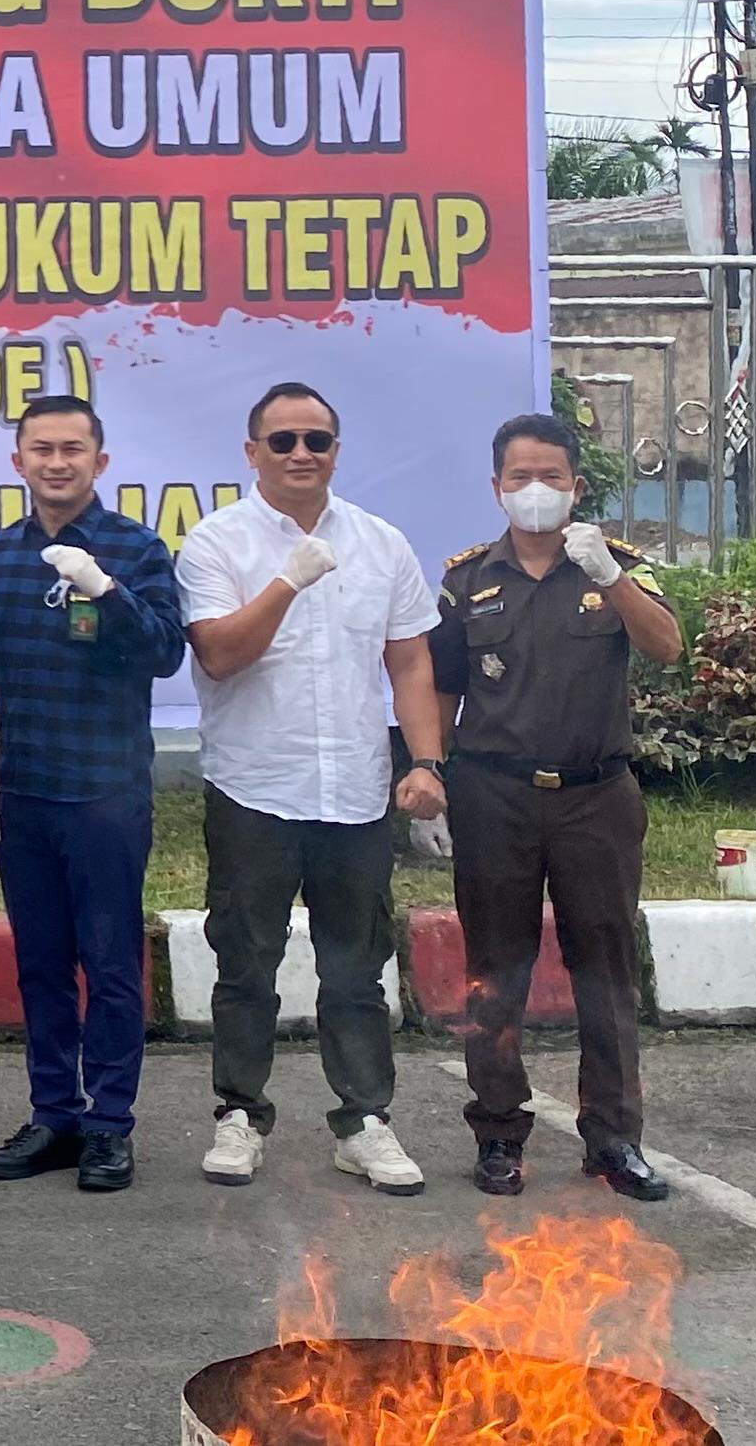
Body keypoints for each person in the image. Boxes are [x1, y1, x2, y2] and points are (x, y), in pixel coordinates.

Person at [177, 381, 447, 1198]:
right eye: (284, 440)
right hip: (255, 784)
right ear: (252, 451)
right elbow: (220, 654)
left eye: (317, 441)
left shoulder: (381, 542)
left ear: (337, 450)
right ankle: (238, 1113)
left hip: (355, 789)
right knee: (246, 963)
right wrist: (287, 581)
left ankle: (364, 1122)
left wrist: (427, 763)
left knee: (356, 968)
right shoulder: (216, 543)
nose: (301, 454)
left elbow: (409, 661)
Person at [432, 413, 681, 1202]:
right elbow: (440, 687)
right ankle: (499, 1133)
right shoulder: (467, 580)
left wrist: (607, 574)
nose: (534, 491)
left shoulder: (616, 567)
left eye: (550, 477)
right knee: (494, 974)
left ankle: (613, 1139)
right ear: (496, 487)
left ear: (576, 486)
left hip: (595, 797)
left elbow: (668, 647)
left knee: (604, 974)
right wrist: (428, 771)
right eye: (518, 477)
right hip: (494, 795)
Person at [0, 394, 189, 1196]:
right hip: (23, 792)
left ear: (100, 461)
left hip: (104, 793)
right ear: (17, 461)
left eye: (72, 449)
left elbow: (166, 654)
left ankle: (110, 1125)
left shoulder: (135, 549)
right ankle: (55, 1114)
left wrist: (106, 591)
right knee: (41, 967)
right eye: (41, 449)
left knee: (111, 964)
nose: (56, 463)